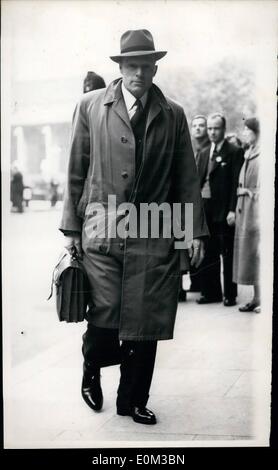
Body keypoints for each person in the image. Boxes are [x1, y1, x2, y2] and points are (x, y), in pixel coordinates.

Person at [60, 29, 208, 425]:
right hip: (102, 230)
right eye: (131, 65)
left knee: (147, 321)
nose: (138, 73)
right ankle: (92, 367)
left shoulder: (173, 114)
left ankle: (133, 399)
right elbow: (76, 170)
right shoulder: (91, 106)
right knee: (105, 316)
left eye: (146, 66)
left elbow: (186, 178)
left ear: (155, 67)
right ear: (120, 67)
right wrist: (72, 230)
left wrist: (192, 231)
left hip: (155, 232)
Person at [196, 113, 244, 306]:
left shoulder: (233, 151)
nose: (212, 132)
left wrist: (232, 209)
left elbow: (235, 184)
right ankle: (211, 292)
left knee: (228, 253)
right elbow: (197, 182)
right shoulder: (204, 152)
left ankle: (230, 294)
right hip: (205, 208)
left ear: (223, 129)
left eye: (216, 128)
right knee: (209, 252)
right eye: (210, 128)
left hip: (224, 210)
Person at [233, 118, 260, 313]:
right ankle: (257, 297)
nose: (244, 133)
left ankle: (263, 299)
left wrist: (249, 193)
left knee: (258, 254)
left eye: (246, 130)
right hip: (246, 211)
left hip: (256, 212)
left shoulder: (262, 154)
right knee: (251, 255)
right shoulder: (249, 153)